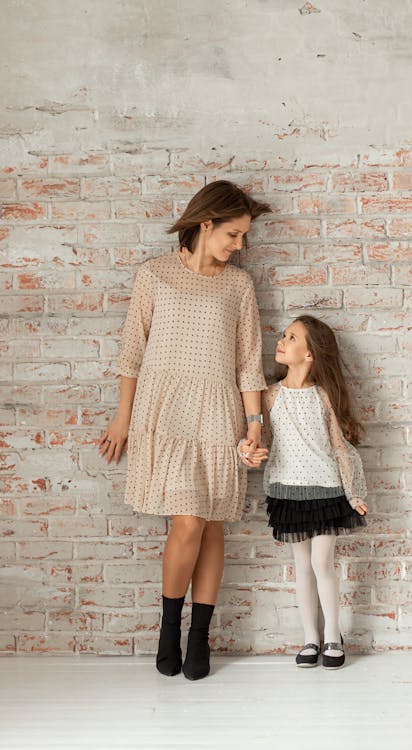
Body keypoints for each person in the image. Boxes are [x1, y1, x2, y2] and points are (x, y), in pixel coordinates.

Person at [99, 180, 270, 680]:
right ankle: (169, 626)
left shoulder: (239, 285)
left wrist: (255, 424)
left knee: (212, 521)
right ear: (205, 224)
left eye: (243, 238)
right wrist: (122, 416)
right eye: (233, 234)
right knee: (188, 522)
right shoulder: (153, 274)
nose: (239, 246)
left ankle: (201, 635)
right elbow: (133, 351)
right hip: (164, 410)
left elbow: (247, 363)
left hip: (220, 411)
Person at [260, 315, 368, 670]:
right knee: (302, 565)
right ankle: (310, 637)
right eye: (284, 335)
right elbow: (264, 442)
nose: (282, 340)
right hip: (288, 489)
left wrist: (354, 493)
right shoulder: (270, 396)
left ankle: (333, 635)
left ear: (309, 354)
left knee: (323, 563)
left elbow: (340, 448)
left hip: (326, 488)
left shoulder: (322, 396)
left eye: (292, 338)